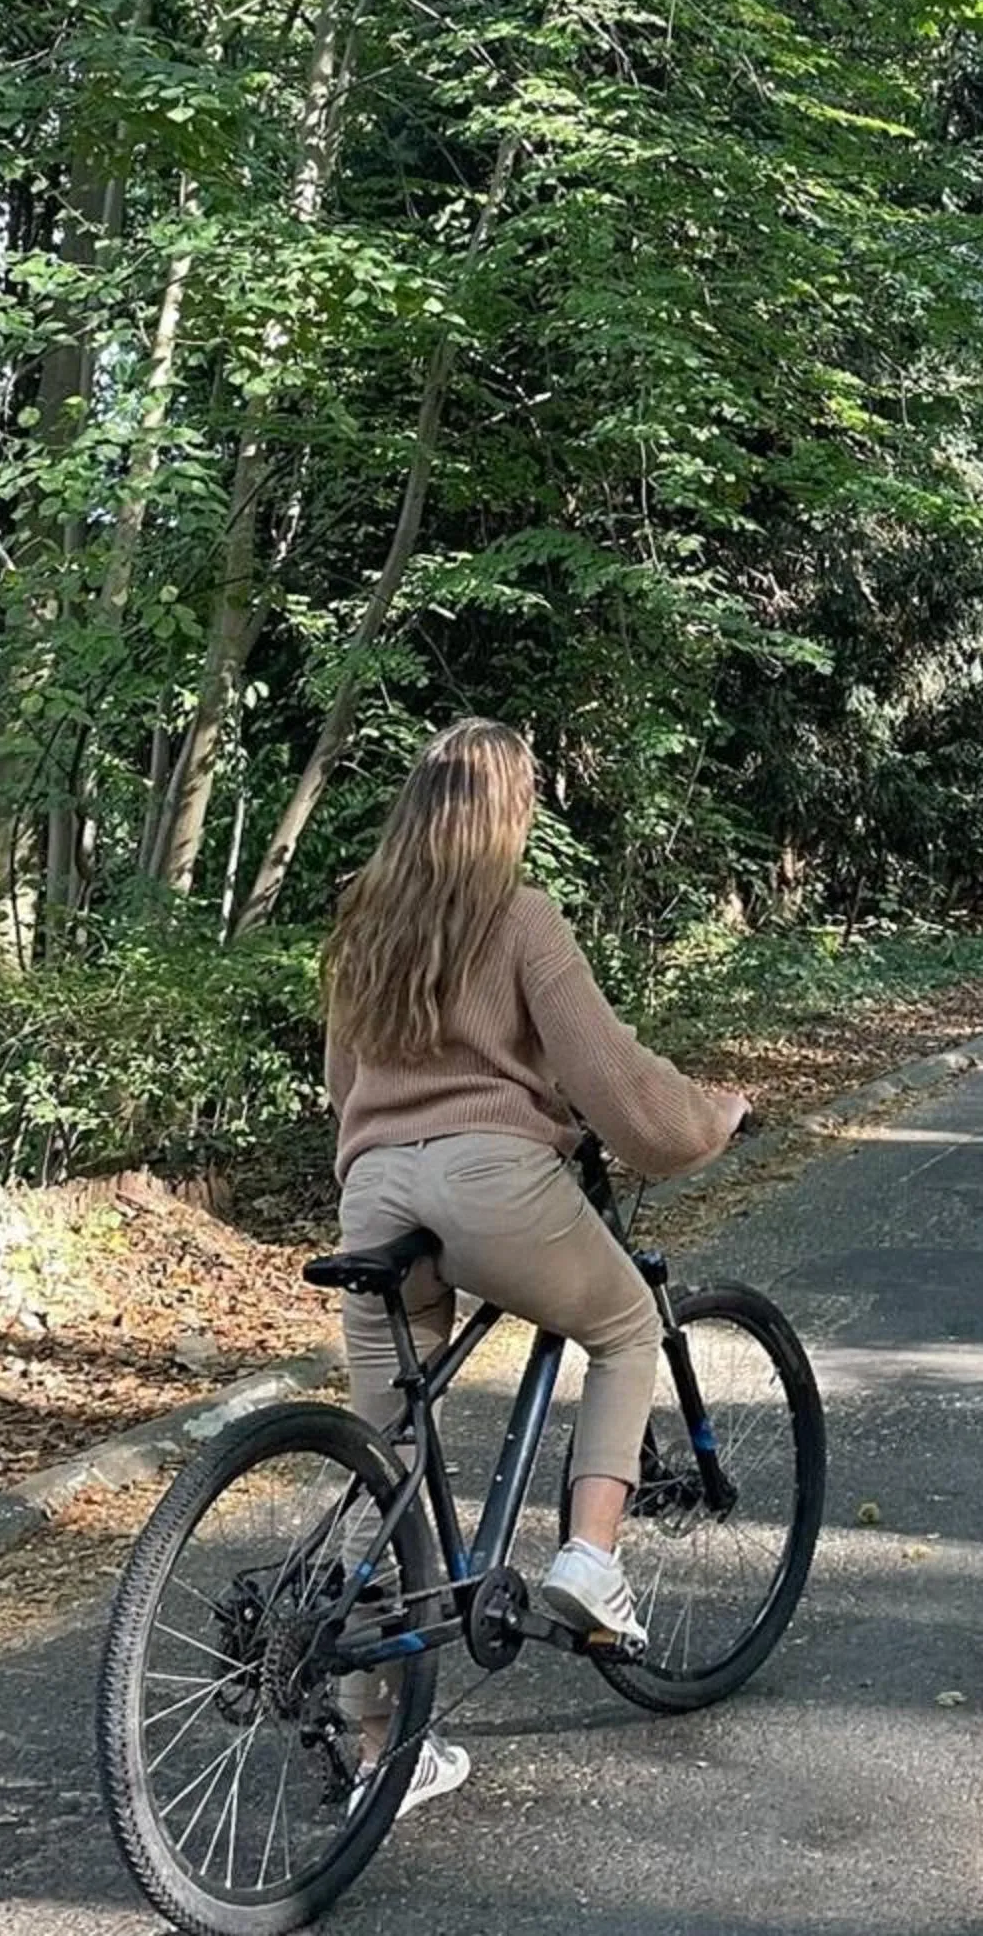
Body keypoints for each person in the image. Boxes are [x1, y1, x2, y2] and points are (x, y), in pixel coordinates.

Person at [322, 717, 748, 1815]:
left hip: (373, 1192)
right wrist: (709, 1115)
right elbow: (608, 1076)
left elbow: (341, 1083)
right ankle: (590, 1563)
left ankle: (380, 1741)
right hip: (491, 1187)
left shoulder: (363, 918)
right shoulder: (519, 919)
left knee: (391, 1457)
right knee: (621, 1328)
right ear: (509, 812)